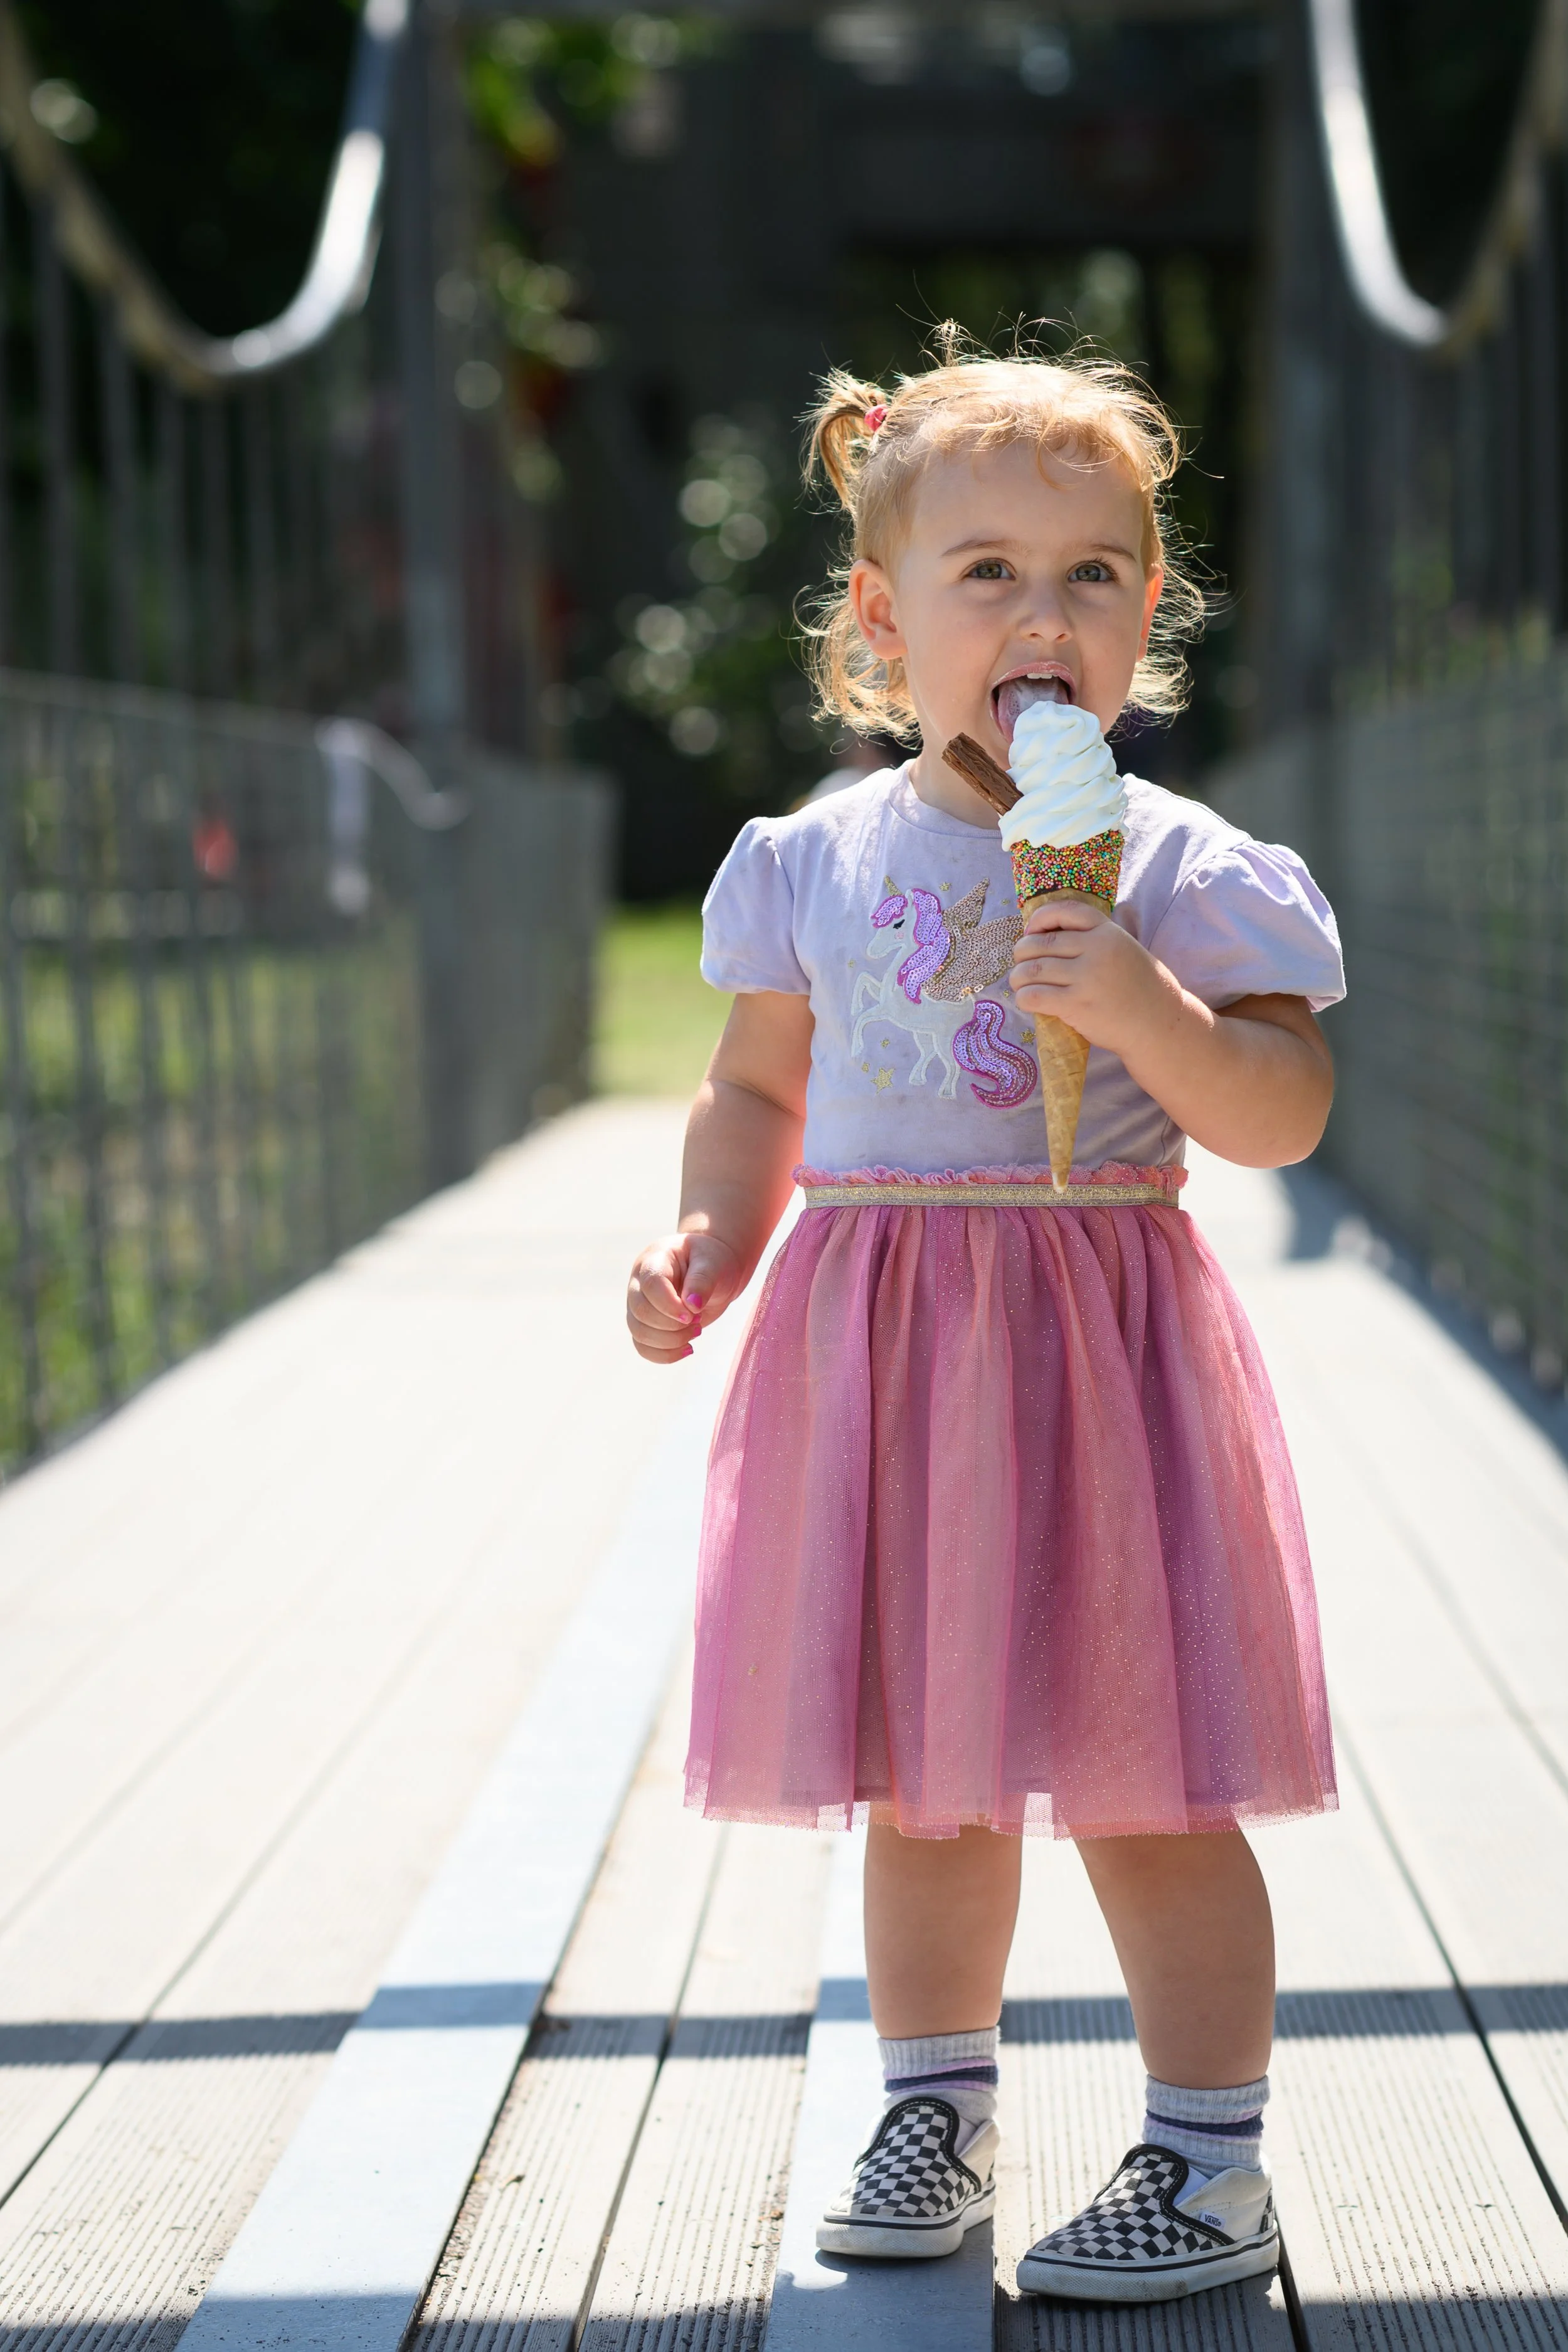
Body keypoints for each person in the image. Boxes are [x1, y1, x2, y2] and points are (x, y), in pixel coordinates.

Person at [624, 336, 1342, 2304]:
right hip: (883, 1365)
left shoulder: (1180, 867)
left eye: (1093, 573)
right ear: (880, 617)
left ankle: (1208, 2161)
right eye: (986, 573)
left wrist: (1138, 1006)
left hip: (1097, 1362)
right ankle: (931, 2103)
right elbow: (761, 1086)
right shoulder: (814, 861)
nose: (1044, 614)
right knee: (923, 1778)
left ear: (1148, 610)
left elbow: (1278, 1111)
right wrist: (709, 1234)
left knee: (1144, 1773)